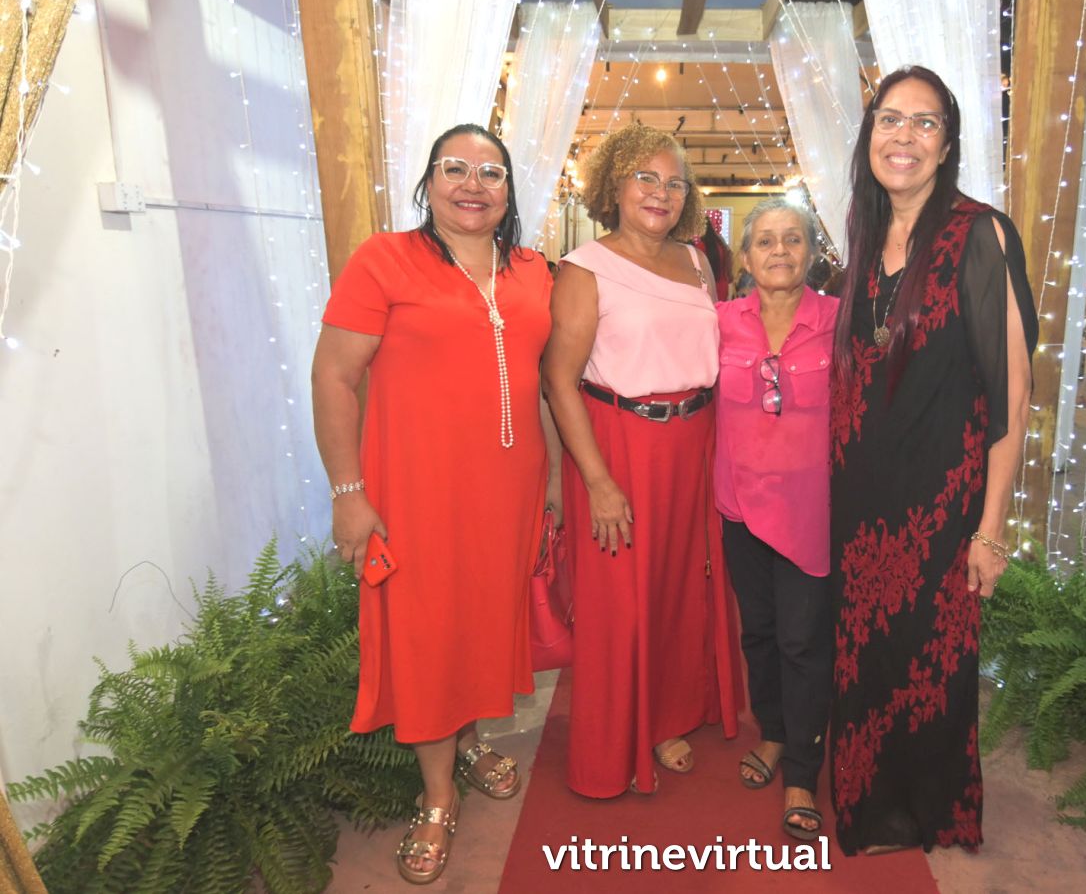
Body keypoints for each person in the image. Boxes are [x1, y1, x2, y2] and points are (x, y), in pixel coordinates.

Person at [312, 124, 558, 884]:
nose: (472, 185)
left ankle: (471, 739)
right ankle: (438, 795)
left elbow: (547, 378)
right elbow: (333, 378)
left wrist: (554, 484)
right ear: (428, 183)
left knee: (481, 619)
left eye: (491, 172)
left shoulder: (533, 271)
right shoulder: (384, 259)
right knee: (426, 632)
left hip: (508, 491)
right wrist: (348, 494)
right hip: (416, 492)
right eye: (455, 169)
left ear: (509, 190)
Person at [829, 66, 1037, 856]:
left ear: (946, 145)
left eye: (925, 123)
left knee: (930, 661)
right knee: (867, 656)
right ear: (870, 135)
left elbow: (1013, 393)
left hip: (939, 504)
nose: (905, 137)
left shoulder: (981, 234)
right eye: (891, 119)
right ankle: (870, 802)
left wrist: (990, 529)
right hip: (859, 499)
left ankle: (929, 808)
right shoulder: (863, 235)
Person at [543, 123, 742, 799]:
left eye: (675, 183)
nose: (661, 193)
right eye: (646, 178)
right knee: (621, 602)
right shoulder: (584, 267)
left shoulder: (697, 261)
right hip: (619, 445)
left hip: (695, 442)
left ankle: (666, 718)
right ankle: (612, 745)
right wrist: (598, 481)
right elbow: (559, 379)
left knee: (682, 587)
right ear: (615, 185)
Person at [716, 198, 838, 842]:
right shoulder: (718, 323)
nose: (780, 251)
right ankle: (773, 732)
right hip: (739, 506)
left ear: (812, 252)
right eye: (765, 241)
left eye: (793, 239)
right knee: (759, 635)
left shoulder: (840, 320)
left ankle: (803, 771)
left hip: (809, 512)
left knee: (803, 641)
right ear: (745, 256)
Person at [695, 211, 734, 301]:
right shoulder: (720, 242)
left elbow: (699, 272)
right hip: (723, 284)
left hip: (709, 287)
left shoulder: (700, 246)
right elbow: (729, 257)